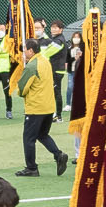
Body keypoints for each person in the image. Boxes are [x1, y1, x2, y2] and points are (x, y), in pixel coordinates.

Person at [14, 41, 69, 177]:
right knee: (42, 135)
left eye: (25, 50)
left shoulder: (32, 66)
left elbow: (22, 89)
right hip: (49, 107)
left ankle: (31, 168)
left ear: (31, 51)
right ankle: (58, 154)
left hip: (35, 108)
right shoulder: (45, 61)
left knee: (28, 138)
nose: (23, 53)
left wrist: (21, 92)